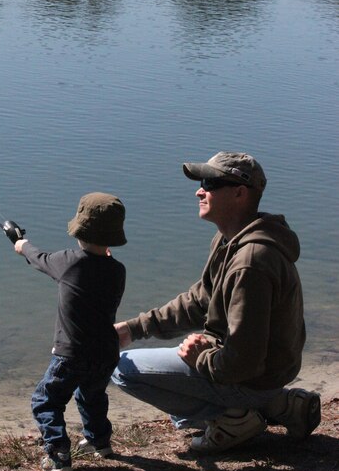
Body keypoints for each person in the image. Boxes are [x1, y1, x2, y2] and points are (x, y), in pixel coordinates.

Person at [112, 152, 321, 455]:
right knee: (150, 357)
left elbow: (244, 361)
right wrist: (133, 329)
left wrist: (200, 358)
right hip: (263, 375)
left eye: (210, 183)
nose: (200, 190)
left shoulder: (250, 262)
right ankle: (280, 405)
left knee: (122, 370)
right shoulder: (230, 241)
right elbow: (199, 302)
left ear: (239, 193)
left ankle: (233, 419)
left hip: (250, 377)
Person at [14, 192, 127, 471]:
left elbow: (38, 258)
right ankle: (100, 441)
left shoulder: (68, 262)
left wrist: (21, 244)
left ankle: (58, 454)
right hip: (106, 352)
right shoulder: (117, 270)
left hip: (71, 353)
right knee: (92, 395)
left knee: (46, 400)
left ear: (79, 229)